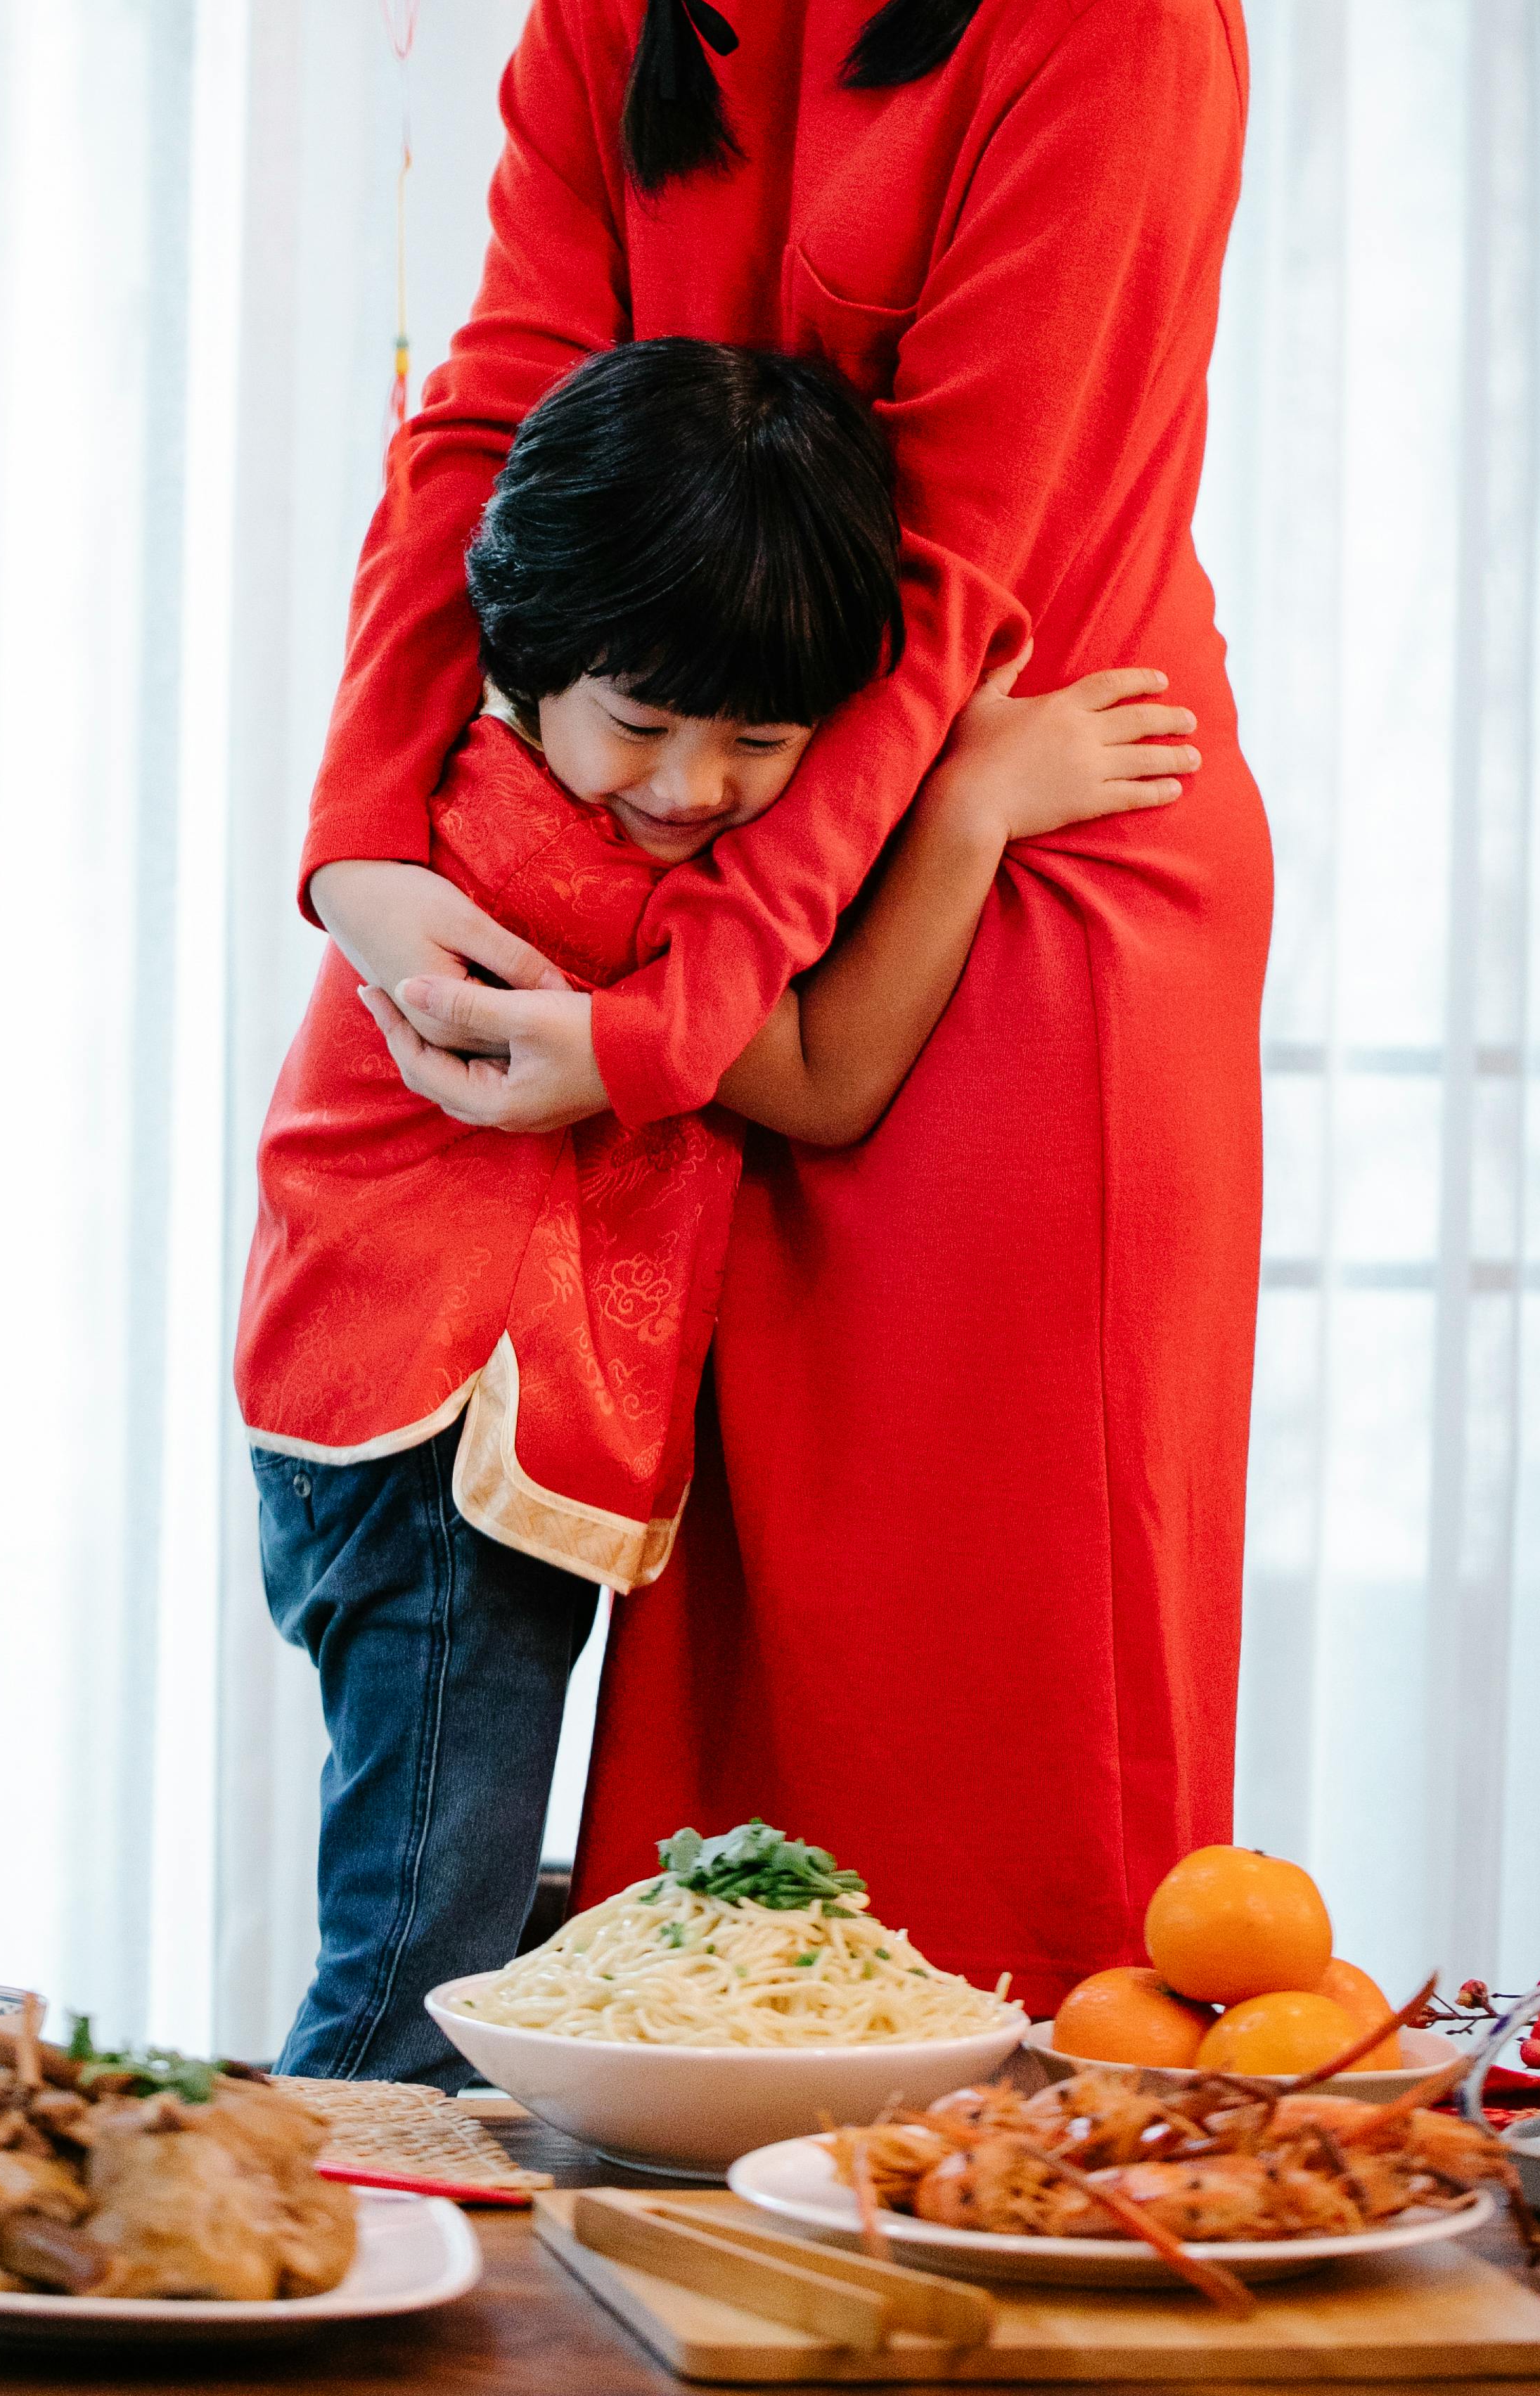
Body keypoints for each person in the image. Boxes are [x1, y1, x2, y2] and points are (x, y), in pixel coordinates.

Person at [298, 0, 1276, 2015]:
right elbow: (490, 410)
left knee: (989, 1697)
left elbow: (959, 586)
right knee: (707, 1733)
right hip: (702, 905)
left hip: (1016, 888)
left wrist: (659, 1020)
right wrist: (372, 843)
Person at [239, 337, 1202, 2081]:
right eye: (644, 722)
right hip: (442, 1441)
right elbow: (827, 1078)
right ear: (527, 666)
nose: (688, 788)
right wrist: (972, 801)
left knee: (434, 1925)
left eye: (762, 742)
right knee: (413, 1969)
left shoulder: (539, 798)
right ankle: (312, 2262)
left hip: (395, 1421)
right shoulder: (547, 866)